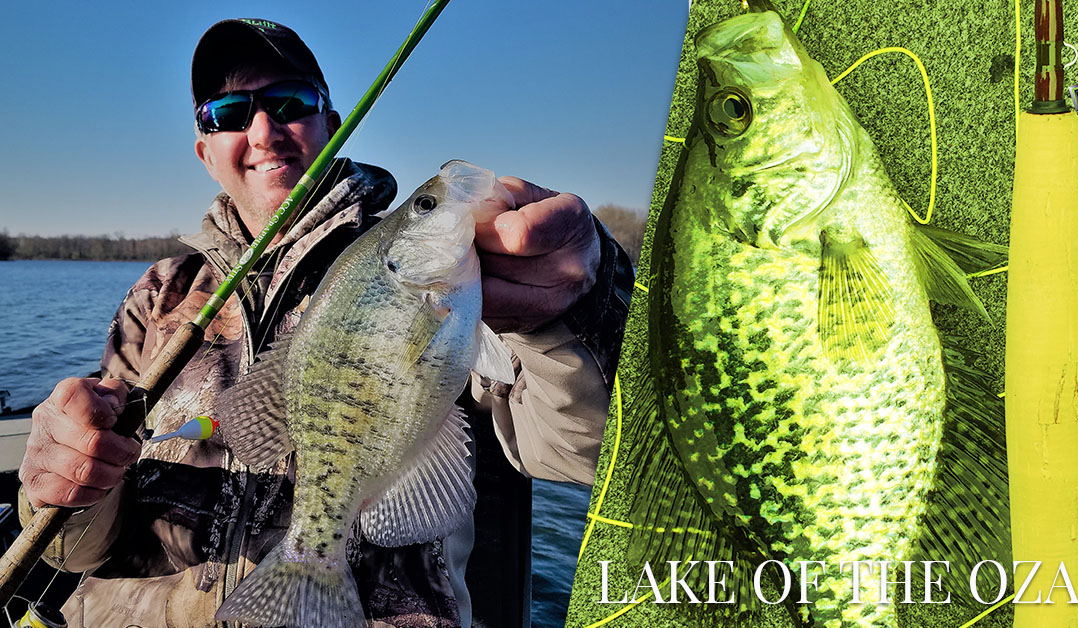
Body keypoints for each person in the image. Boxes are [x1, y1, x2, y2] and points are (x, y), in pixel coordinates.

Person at [17, 18, 632, 628]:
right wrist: (61, 485)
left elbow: (586, 453)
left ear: (331, 125)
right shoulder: (158, 296)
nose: (262, 130)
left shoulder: (462, 284)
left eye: (291, 102)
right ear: (206, 151)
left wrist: (570, 314)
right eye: (228, 112)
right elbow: (80, 550)